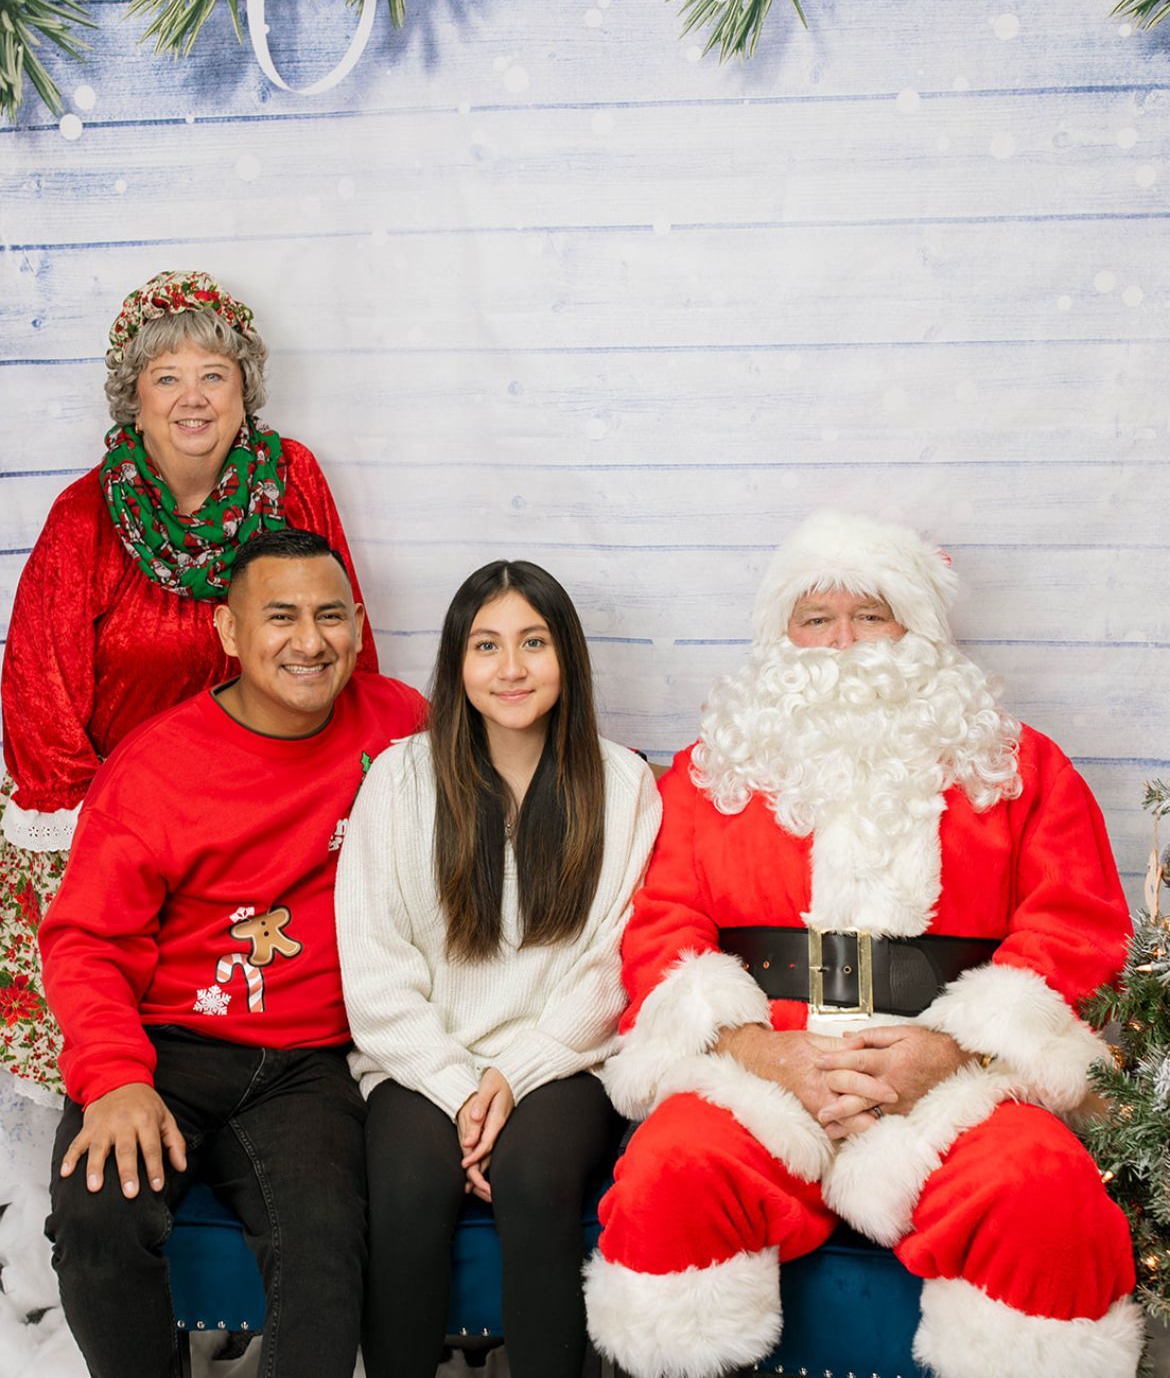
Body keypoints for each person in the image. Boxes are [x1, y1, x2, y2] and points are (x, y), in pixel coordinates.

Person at [584, 510, 1140, 1378]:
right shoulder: (710, 773)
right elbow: (663, 927)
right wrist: (756, 1049)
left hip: (961, 1086)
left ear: (916, 627)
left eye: (870, 614)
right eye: (816, 618)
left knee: (1044, 1194)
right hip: (764, 1072)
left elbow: (1078, 925)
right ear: (782, 636)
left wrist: (955, 1050)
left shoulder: (1020, 766)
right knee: (672, 1172)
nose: (844, 641)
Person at [39, 527, 425, 1378]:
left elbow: (514, 777)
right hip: (165, 1047)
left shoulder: (401, 728)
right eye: (280, 616)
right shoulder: (158, 766)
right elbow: (85, 939)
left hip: (307, 1063)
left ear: (358, 627)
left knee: (324, 1247)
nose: (309, 640)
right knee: (98, 1212)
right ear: (226, 631)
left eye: (330, 616)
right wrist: (115, 1080)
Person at [1, 270, 377, 1101]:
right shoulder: (83, 516)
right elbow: (38, 690)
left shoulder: (294, 480)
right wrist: (109, 840)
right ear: (133, 399)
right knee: (110, 1030)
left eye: (215, 374)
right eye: (166, 377)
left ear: (246, 391)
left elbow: (339, 636)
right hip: (127, 822)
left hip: (274, 811)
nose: (193, 397)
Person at [335, 559, 661, 1378]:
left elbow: (613, 961)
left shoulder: (622, 784)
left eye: (533, 643)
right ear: (456, 662)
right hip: (419, 1063)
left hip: (564, 1062)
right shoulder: (401, 780)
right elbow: (375, 968)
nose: (510, 669)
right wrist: (458, 1089)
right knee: (409, 1190)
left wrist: (513, 1078)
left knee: (536, 1179)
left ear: (568, 659)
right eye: (486, 645)